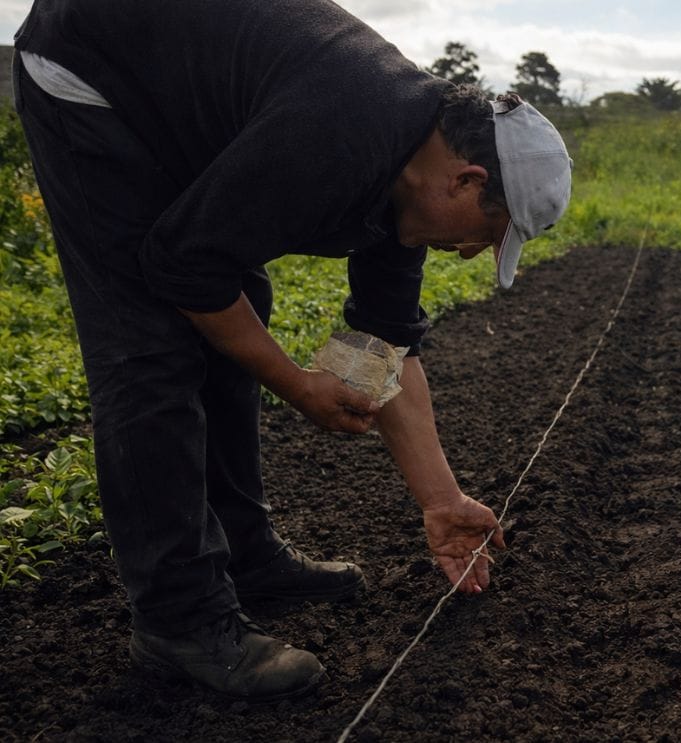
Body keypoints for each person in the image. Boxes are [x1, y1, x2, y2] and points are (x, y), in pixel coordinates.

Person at [11, 0, 571, 701]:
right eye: (487, 236)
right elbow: (183, 263)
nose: (469, 253)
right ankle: (179, 620)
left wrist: (442, 499)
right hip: (90, 70)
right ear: (467, 181)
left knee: (243, 300)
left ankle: (246, 554)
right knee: (150, 346)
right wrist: (295, 383)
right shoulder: (343, 130)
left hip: (174, 93)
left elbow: (384, 343)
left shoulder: (407, 172)